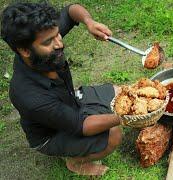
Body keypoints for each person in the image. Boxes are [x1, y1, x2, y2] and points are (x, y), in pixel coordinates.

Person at [1, 2, 123, 176]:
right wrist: (126, 117)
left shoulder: (42, 35)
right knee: (114, 134)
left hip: (70, 101)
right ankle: (75, 162)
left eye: (58, 34)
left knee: (121, 93)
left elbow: (71, 11)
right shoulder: (29, 97)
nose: (59, 44)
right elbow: (81, 125)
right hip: (52, 134)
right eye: (49, 41)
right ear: (24, 51)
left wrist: (89, 22)